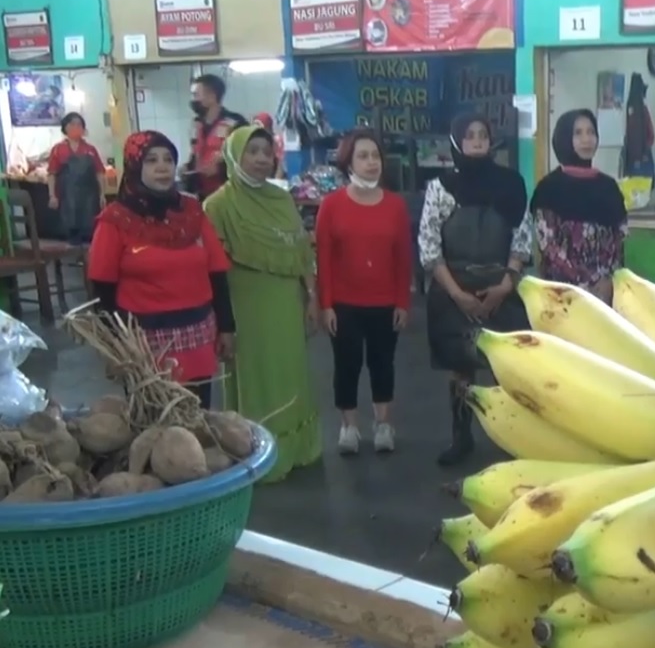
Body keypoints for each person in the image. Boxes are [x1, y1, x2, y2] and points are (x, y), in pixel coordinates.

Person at [203, 125, 322, 481]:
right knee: (257, 376)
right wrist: (221, 321)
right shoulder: (218, 205)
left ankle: (298, 447)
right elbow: (213, 269)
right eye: (251, 151)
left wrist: (312, 296)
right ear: (234, 155)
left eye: (266, 153)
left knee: (291, 373)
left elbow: (302, 253)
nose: (260, 159)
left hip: (287, 303)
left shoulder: (282, 198)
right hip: (246, 307)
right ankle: (256, 451)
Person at [87, 131, 235, 409]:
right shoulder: (116, 219)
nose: (163, 166)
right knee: (153, 423)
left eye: (168, 159)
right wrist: (112, 345)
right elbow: (102, 287)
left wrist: (227, 326)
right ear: (134, 166)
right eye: (152, 160)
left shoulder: (192, 212)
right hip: (144, 343)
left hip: (197, 335)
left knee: (197, 417)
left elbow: (216, 271)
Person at [417, 112, 532, 466]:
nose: (478, 141)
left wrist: (504, 285)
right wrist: (456, 293)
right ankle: (461, 436)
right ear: (456, 143)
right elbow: (429, 246)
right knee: (461, 368)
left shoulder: (511, 184)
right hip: (455, 291)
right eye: (469, 136)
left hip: (501, 289)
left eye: (483, 134)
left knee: (507, 367)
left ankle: (511, 438)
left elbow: (523, 238)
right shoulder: (439, 187)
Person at [315, 128, 412, 456]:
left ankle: (384, 424)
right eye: (363, 156)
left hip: (385, 303)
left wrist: (403, 301)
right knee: (347, 365)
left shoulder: (396, 206)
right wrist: (325, 305)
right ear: (349, 163)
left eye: (376, 156)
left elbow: (403, 259)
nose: (372, 162)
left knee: (383, 364)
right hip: (344, 304)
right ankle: (349, 426)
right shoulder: (330, 206)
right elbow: (323, 259)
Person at [533, 109, 628, 304]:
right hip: (562, 293)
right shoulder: (549, 188)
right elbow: (548, 245)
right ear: (564, 138)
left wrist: (608, 280)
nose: (587, 139)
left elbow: (619, 238)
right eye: (578, 133)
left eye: (591, 132)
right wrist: (583, 283)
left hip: (605, 292)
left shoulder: (608, 187)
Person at [184, 74, 247, 201]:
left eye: (196, 95)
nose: (193, 100)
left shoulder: (235, 123)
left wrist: (220, 167)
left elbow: (246, 157)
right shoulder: (196, 125)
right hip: (202, 196)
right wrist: (187, 168)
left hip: (231, 195)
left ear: (212, 96)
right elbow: (196, 154)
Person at [47, 112, 107, 244]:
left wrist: (102, 194)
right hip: (67, 199)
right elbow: (52, 174)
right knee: (71, 234)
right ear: (65, 128)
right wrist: (52, 196)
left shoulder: (90, 149)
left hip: (89, 198)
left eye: (79, 124)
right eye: (72, 124)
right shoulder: (58, 149)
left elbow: (99, 172)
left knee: (91, 234)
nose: (76, 127)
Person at [621, 72, 655, 190]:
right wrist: (645, 151)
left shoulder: (629, 107)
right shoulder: (642, 109)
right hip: (642, 155)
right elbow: (651, 133)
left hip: (631, 158)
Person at [252, 112, 286, 178]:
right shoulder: (256, 141)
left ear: (268, 128)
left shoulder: (277, 141)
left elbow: (281, 164)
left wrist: (277, 181)